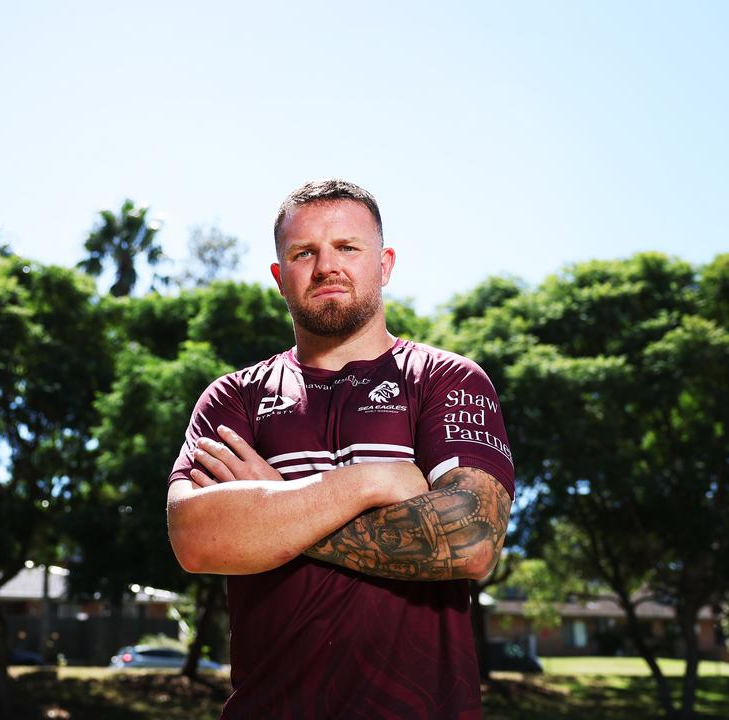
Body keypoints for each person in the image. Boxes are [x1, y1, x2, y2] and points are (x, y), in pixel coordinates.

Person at [167, 179, 515, 719]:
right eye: (304, 252)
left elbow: (470, 539)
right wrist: (368, 482)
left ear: (385, 264)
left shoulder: (445, 380)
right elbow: (196, 537)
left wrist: (273, 505)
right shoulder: (235, 398)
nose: (327, 266)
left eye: (348, 248)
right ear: (280, 279)